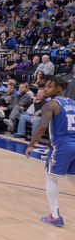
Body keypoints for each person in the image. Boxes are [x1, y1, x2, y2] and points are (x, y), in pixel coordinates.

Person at [26, 77, 75, 228]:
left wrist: (31, 144)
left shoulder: (51, 105)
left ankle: (55, 216)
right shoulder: (73, 103)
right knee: (73, 179)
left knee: (51, 177)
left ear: (59, 89)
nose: (45, 89)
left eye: (49, 87)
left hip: (62, 145)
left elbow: (42, 126)